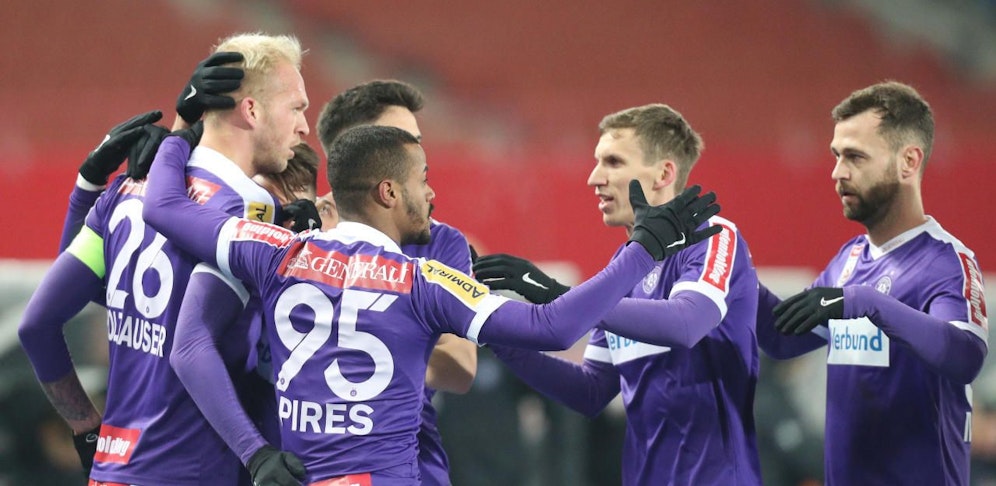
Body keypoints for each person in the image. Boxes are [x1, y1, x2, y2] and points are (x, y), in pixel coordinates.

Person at [141, 122, 719, 484]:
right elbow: (554, 328)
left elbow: (164, 208)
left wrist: (181, 135)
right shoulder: (424, 281)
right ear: (389, 191)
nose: (432, 192)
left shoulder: (274, 252)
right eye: (423, 179)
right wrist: (643, 251)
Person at [18, 32, 310, 486]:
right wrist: (258, 455)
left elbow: (37, 325)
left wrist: (87, 429)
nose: (304, 126)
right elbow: (191, 348)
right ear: (252, 111)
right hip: (188, 470)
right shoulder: (246, 209)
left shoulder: (126, 188)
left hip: (112, 469)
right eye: (296, 108)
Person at [472, 104, 762, 485]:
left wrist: (562, 297)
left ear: (664, 174)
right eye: (598, 162)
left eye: (613, 162)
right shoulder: (622, 267)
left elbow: (686, 323)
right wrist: (493, 333)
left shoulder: (712, 236)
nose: (594, 178)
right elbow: (590, 390)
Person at [756, 81, 988, 485]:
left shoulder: (946, 263)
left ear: (908, 162)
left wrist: (869, 304)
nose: (837, 172)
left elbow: (964, 356)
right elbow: (781, 339)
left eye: (855, 156)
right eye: (836, 155)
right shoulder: (849, 261)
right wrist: (729, 271)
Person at [315, 79, 477, 485]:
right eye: (402, 139)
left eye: (417, 140)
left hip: (410, 461)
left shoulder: (440, 242)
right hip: (310, 458)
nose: (417, 153)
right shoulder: (300, 236)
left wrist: (345, 338)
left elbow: (460, 368)